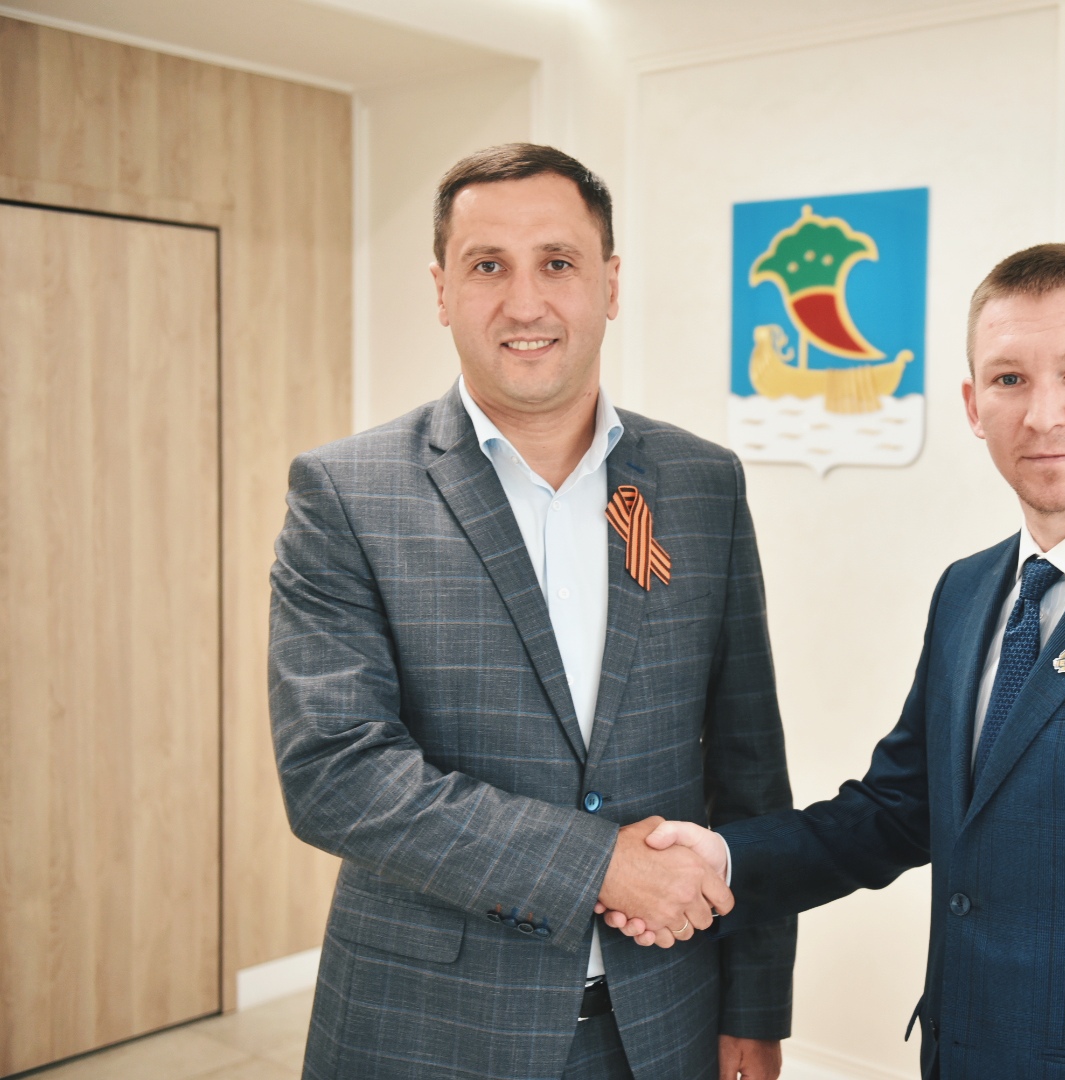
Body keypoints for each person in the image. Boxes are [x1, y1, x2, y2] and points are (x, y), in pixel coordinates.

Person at [607, 244, 1065, 1078]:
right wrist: (724, 859)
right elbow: (899, 809)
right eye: (1009, 379)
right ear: (972, 403)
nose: (1042, 414)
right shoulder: (968, 591)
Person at [269, 143, 794, 1080]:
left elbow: (750, 769)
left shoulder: (702, 484)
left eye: (557, 263)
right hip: (425, 1028)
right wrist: (599, 865)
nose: (524, 304)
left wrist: (754, 1006)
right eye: (487, 266)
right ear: (441, 290)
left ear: (610, 284)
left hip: (663, 1018)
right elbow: (336, 774)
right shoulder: (347, 493)